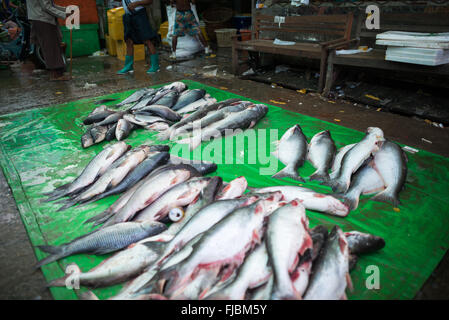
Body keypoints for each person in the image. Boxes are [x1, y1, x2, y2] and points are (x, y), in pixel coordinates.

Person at [26, 0, 71, 81]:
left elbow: (50, 5)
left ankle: (58, 73)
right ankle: (56, 75)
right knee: (51, 47)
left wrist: (65, 9)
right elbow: (46, 7)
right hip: (42, 19)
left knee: (52, 46)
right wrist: (64, 14)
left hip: (40, 18)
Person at [117, 0, 159, 74]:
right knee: (128, 40)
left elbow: (150, 1)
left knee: (147, 39)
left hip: (139, 15)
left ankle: (155, 65)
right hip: (128, 16)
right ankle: (128, 66)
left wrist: (136, 3)